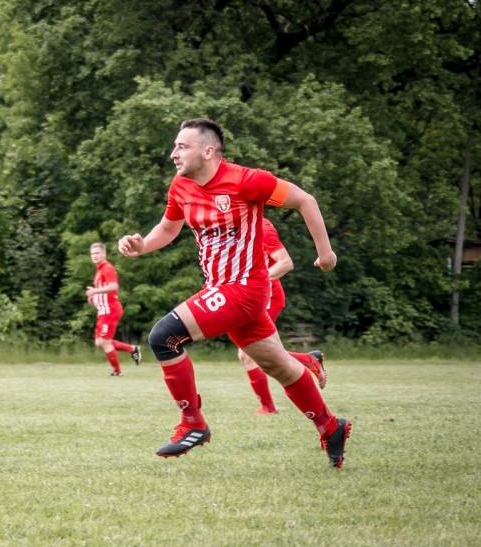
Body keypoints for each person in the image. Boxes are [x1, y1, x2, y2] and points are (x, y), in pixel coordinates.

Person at [117, 118, 351, 468]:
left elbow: (305, 200)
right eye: (175, 146)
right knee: (280, 366)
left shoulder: (247, 180)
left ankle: (193, 423)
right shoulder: (181, 186)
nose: (173, 154)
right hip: (222, 290)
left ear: (208, 150)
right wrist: (142, 245)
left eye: (182, 146)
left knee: (163, 337)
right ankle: (330, 426)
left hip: (245, 289)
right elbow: (168, 228)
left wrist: (326, 254)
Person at [241, 217, 327, 415]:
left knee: (248, 353)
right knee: (251, 353)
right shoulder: (234, 225)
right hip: (249, 296)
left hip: (267, 295)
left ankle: (268, 408)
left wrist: (254, 282)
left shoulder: (262, 226)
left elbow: (285, 263)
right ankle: (307, 360)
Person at [86, 242, 141, 376]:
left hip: (110, 310)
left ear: (104, 254)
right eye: (93, 254)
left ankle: (117, 372)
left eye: (97, 253)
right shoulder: (99, 270)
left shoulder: (107, 268)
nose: (95, 256)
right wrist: (94, 299)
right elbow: (104, 292)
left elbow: (113, 286)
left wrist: (95, 291)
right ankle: (132, 349)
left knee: (105, 342)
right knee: (100, 342)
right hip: (103, 311)